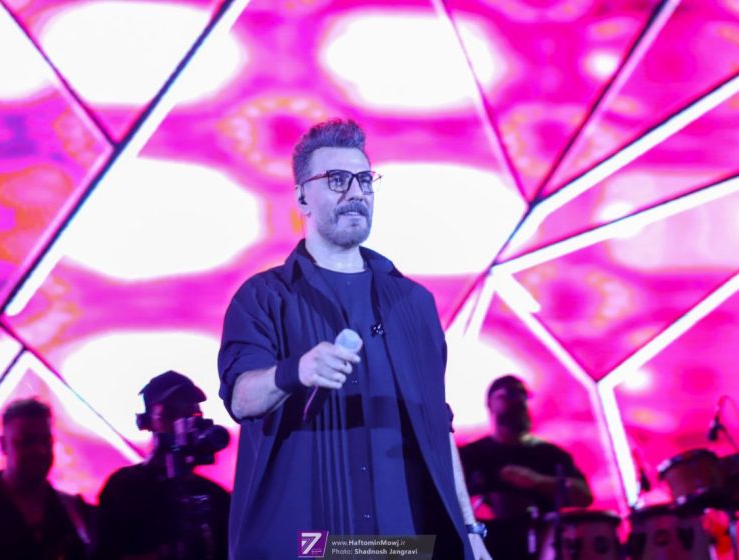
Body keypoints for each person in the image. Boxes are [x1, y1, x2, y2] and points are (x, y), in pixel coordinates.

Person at [217, 119, 491, 559]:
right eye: (337, 180)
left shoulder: (413, 303)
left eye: (364, 180)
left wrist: (470, 530)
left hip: (400, 547)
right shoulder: (264, 296)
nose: (356, 193)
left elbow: (436, 424)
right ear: (302, 197)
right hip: (308, 547)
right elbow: (241, 398)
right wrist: (295, 371)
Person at [94, 370, 231, 560]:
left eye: (192, 414)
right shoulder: (124, 487)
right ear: (146, 421)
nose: (185, 423)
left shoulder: (216, 497)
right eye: (171, 414)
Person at [459, 374, 593, 560]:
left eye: (523, 395)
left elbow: (584, 496)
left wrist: (538, 481)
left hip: (539, 550)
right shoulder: (469, 455)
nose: (519, 401)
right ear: (490, 403)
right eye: (509, 394)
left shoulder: (550, 454)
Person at [0, 398, 93, 560]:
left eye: (46, 441)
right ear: (3, 445)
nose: (40, 451)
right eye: (27, 441)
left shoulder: (77, 511)